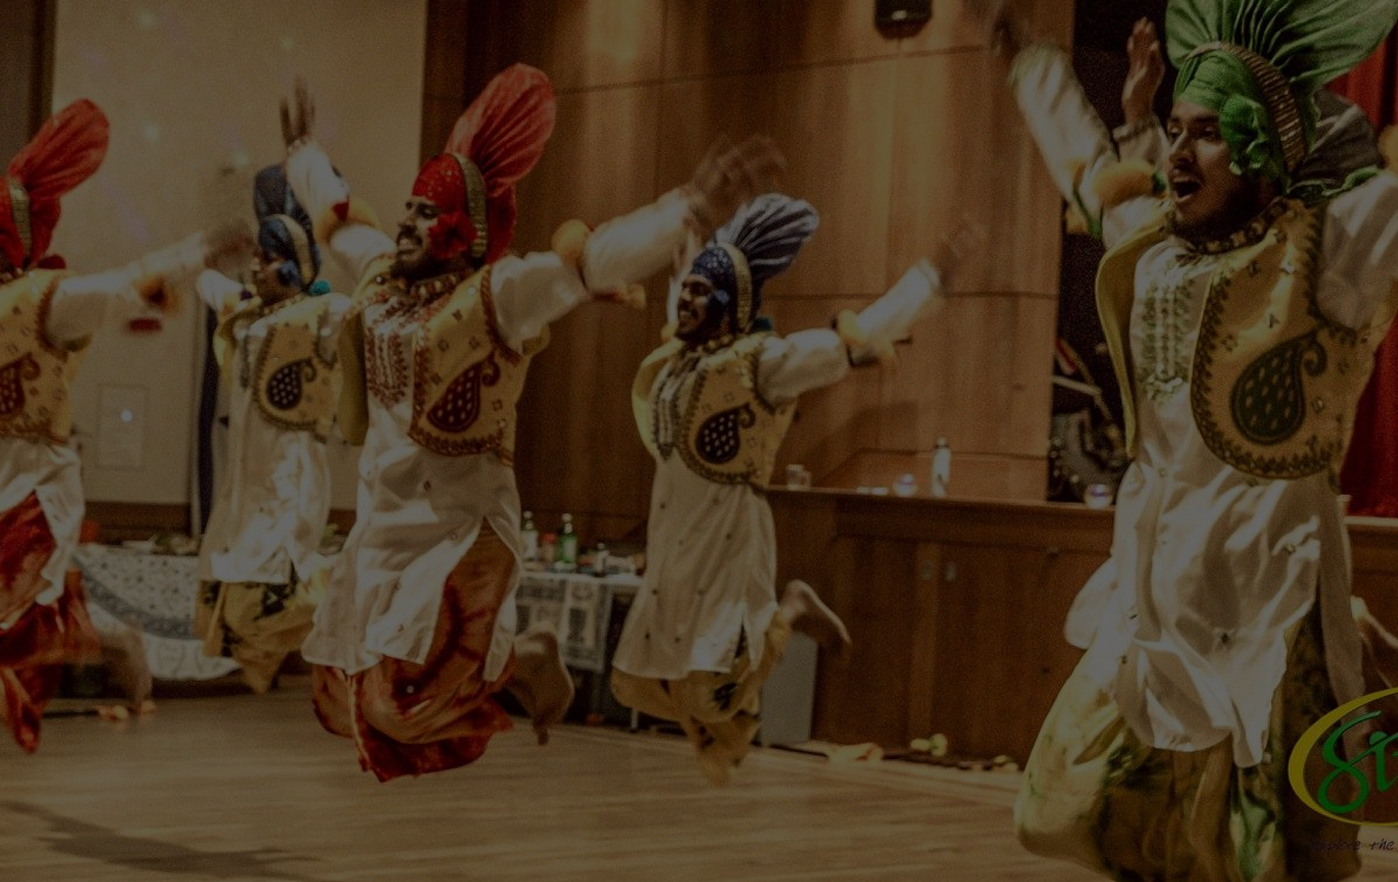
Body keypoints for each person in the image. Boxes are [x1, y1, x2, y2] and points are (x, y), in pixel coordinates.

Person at [983, 0, 1398, 875]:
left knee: (1260, 857)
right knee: (1076, 816)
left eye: (1206, 133)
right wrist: (1033, 67)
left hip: (1267, 589)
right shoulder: (1155, 251)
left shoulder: (1325, 252)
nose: (1177, 152)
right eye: (1174, 130)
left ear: (1262, 151)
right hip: (1154, 586)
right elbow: (1081, 166)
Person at [281, 65, 786, 781]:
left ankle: (525, 665)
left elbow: (588, 265)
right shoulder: (380, 282)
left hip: (462, 532)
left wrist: (689, 209)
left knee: (400, 706)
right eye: (408, 208)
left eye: (425, 213)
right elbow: (341, 223)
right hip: (382, 526)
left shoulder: (496, 297)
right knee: (343, 696)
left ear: (462, 231)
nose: (405, 223)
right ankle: (527, 659)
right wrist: (302, 153)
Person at [0, 99, 247, 752]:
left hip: (28, 490)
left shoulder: (45, 301)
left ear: (6, 237)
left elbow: (124, 286)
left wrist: (201, 249)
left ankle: (112, 646)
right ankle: (99, 643)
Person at [611, 193, 968, 784]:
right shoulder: (678, 362)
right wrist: (686, 239)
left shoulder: (762, 364)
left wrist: (926, 282)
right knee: (634, 684)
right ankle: (744, 683)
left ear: (728, 306)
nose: (688, 299)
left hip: (726, 537)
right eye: (687, 289)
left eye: (702, 291)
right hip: (674, 541)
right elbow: (681, 287)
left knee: (711, 697)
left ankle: (792, 611)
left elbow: (854, 339)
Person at [192, 164, 353, 693]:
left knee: (272, 598)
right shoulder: (245, 314)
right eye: (256, 257)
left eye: (265, 258)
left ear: (292, 266)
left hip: (290, 478)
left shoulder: (324, 313)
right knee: (232, 609)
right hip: (244, 488)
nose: (255, 267)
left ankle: (352, 590)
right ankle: (294, 651)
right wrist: (214, 250)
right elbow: (207, 282)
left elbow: (365, 312)